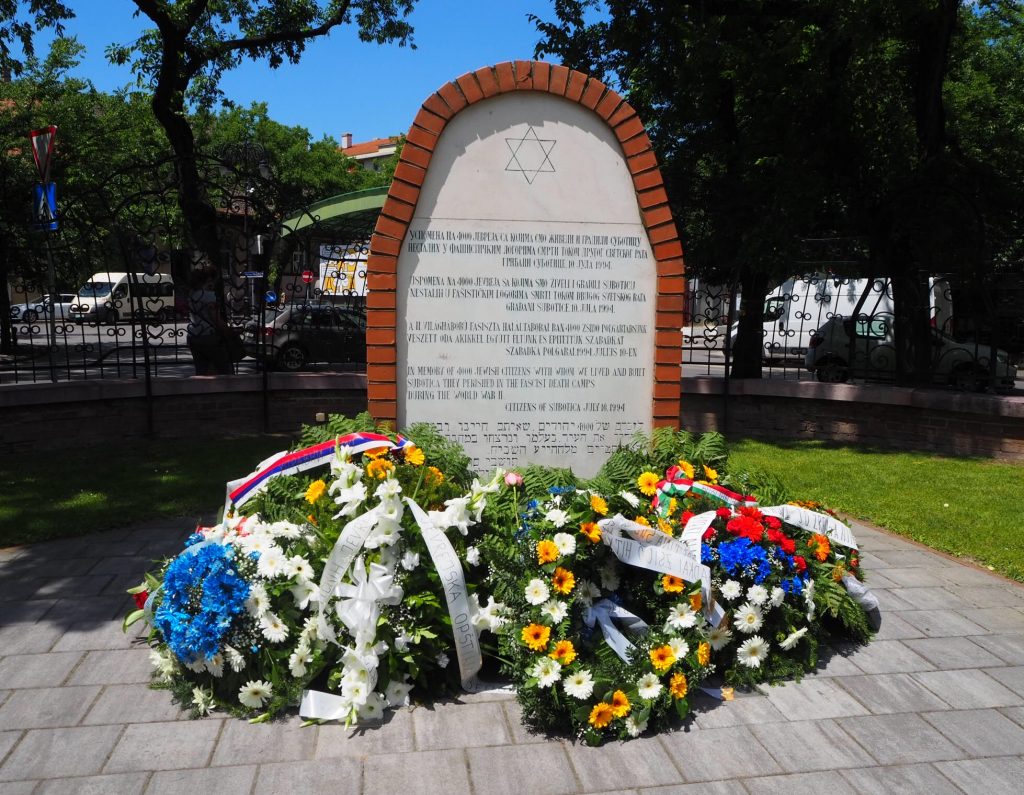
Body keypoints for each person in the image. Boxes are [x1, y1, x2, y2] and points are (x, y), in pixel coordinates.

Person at [186, 266, 233, 375]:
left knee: (202, 370)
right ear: (209, 280)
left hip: (193, 335)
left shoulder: (192, 295)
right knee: (225, 369)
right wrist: (228, 331)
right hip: (209, 335)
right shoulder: (209, 296)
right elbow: (216, 318)